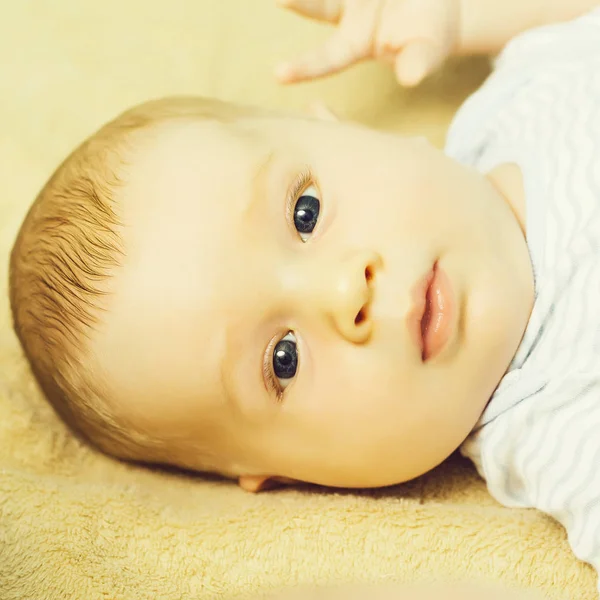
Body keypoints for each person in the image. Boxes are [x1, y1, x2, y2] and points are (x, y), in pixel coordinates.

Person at [8, 0, 600, 591]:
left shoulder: (522, 90)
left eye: (305, 212)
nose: (345, 291)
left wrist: (459, 16)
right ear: (295, 477)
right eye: (282, 359)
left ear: (338, 127)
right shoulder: (562, 438)